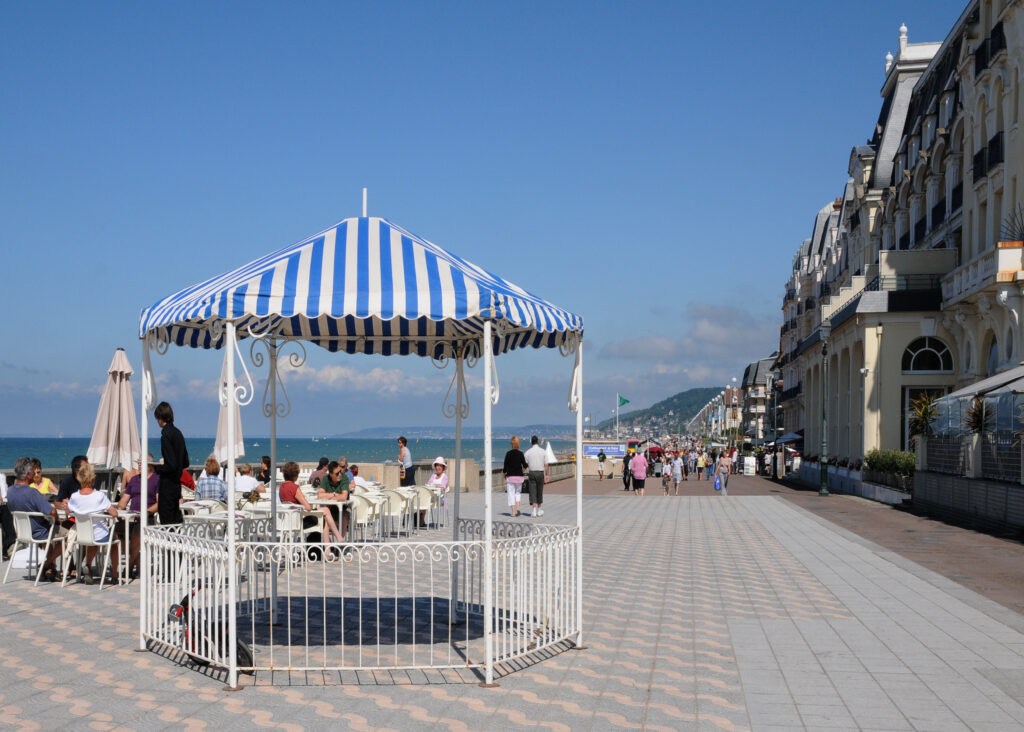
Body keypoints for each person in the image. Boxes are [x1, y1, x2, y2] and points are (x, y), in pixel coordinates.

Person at [6, 457, 64, 580]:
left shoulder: (10, 491)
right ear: (27, 475)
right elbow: (52, 511)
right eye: (32, 471)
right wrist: (58, 517)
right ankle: (46, 564)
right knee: (71, 534)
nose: (34, 474)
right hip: (40, 532)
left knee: (51, 530)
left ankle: (50, 568)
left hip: (22, 533)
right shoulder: (32, 492)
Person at [68, 463, 119, 585]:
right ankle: (114, 574)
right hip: (99, 535)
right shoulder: (99, 496)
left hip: (83, 536)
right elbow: (114, 513)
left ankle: (89, 566)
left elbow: (69, 511)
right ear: (92, 479)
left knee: (92, 538)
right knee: (115, 539)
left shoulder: (74, 497)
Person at [279, 461, 344, 543]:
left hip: (287, 521)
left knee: (324, 515)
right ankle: (337, 540)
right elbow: (308, 507)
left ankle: (329, 548)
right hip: (298, 521)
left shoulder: (282, 487)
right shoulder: (294, 487)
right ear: (295, 475)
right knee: (325, 511)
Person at [117, 455, 158, 579]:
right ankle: (137, 560)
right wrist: (119, 509)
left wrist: (146, 512)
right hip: (131, 517)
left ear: (150, 465)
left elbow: (159, 503)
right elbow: (124, 500)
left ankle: (128, 567)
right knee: (116, 532)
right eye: (138, 462)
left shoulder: (157, 479)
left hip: (147, 518)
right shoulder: (134, 480)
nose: (139, 465)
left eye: (141, 462)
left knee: (136, 533)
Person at [154, 402, 189, 525]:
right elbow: (185, 462)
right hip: (176, 485)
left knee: (167, 521)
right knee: (176, 521)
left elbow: (171, 465)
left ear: (160, 417)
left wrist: (157, 469)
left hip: (167, 485)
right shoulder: (178, 433)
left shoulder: (166, 435)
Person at [317, 460, 350, 536]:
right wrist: (334, 494)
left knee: (344, 516)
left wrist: (329, 496)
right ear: (331, 474)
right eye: (337, 473)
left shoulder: (344, 478)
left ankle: (340, 544)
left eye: (340, 472)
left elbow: (344, 496)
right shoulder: (326, 479)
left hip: (343, 508)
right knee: (325, 516)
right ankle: (328, 545)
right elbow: (320, 496)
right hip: (329, 507)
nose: (339, 475)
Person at [502, 436, 527, 517]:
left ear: (512, 444)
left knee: (511, 494)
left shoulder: (508, 453)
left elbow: (505, 466)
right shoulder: (521, 453)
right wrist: (522, 470)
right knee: (517, 493)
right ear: (518, 443)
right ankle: (518, 507)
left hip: (510, 477)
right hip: (519, 477)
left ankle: (513, 512)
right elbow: (525, 465)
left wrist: (504, 473)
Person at [523, 436, 548, 518]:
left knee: (532, 491)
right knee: (539, 491)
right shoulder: (543, 452)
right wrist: (547, 475)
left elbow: (525, 465)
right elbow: (546, 465)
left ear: (531, 442)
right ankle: (539, 509)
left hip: (532, 472)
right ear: (537, 442)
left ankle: (533, 510)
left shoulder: (527, 452)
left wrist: (521, 472)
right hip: (540, 472)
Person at [421, 456, 449, 526]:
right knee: (422, 500)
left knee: (425, 499)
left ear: (443, 467)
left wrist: (434, 485)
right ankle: (421, 521)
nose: (438, 467)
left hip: (440, 497)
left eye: (440, 465)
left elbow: (443, 486)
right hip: (432, 496)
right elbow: (428, 484)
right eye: (437, 465)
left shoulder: (445, 476)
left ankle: (420, 521)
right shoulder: (433, 475)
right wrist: (435, 485)